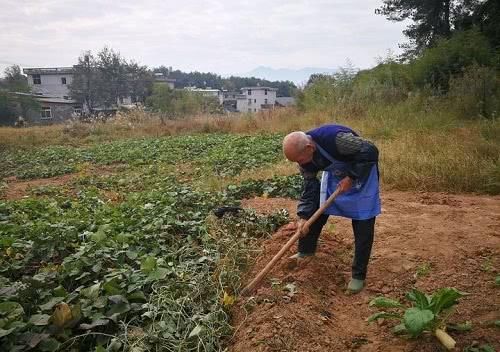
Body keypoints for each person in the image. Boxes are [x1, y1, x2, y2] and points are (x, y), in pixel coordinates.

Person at [282, 124, 381, 293]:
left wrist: (352, 177)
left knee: (362, 223)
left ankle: (358, 276)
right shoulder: (305, 158)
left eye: (300, 160)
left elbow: (370, 150)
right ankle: (305, 251)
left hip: (361, 175)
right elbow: (310, 187)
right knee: (315, 215)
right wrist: (304, 216)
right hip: (336, 176)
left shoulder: (337, 140)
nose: (300, 164)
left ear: (309, 147)